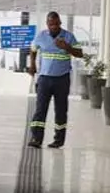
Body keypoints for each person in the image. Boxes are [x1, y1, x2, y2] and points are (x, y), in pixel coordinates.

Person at [26, 11, 83, 149]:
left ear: (60, 23)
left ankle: (58, 140)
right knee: (40, 109)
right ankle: (36, 138)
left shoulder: (68, 36)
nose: (54, 27)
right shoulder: (41, 36)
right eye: (51, 24)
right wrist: (32, 65)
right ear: (47, 24)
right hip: (44, 78)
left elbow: (80, 54)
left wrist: (67, 47)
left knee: (61, 110)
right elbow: (33, 50)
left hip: (62, 79)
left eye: (57, 24)